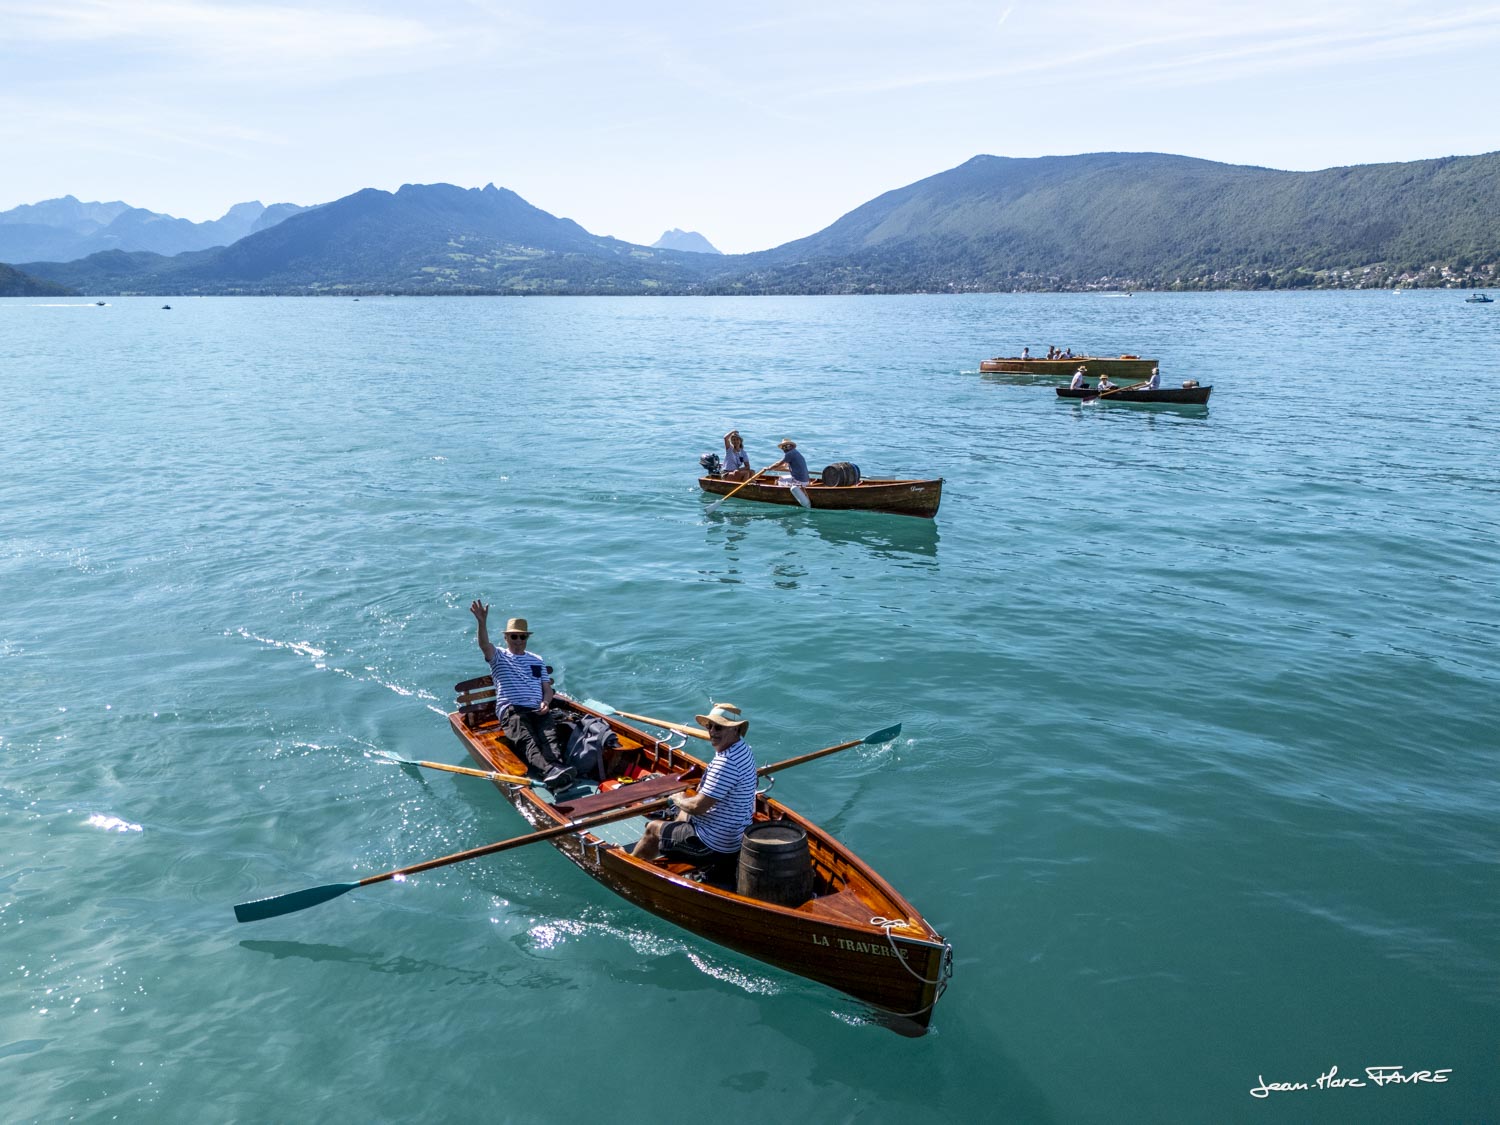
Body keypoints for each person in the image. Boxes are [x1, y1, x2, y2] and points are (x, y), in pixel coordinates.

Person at [630, 703, 757, 865]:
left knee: (653, 828)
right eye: (709, 726)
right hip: (735, 836)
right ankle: (671, 838)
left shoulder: (725, 763)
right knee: (684, 812)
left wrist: (677, 799)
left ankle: (631, 863)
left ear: (735, 730)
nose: (711, 732)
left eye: (718, 728)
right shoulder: (744, 750)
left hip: (714, 845)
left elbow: (698, 807)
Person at [469, 601, 573, 793]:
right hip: (512, 708)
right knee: (526, 738)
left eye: (522, 637)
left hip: (538, 708)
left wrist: (546, 702)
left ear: (526, 638)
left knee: (549, 736)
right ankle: (550, 771)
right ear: (507, 638)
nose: (518, 641)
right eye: (514, 637)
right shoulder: (498, 655)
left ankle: (557, 770)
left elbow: (547, 689)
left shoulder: (537, 659)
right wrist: (481, 622)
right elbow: (484, 644)